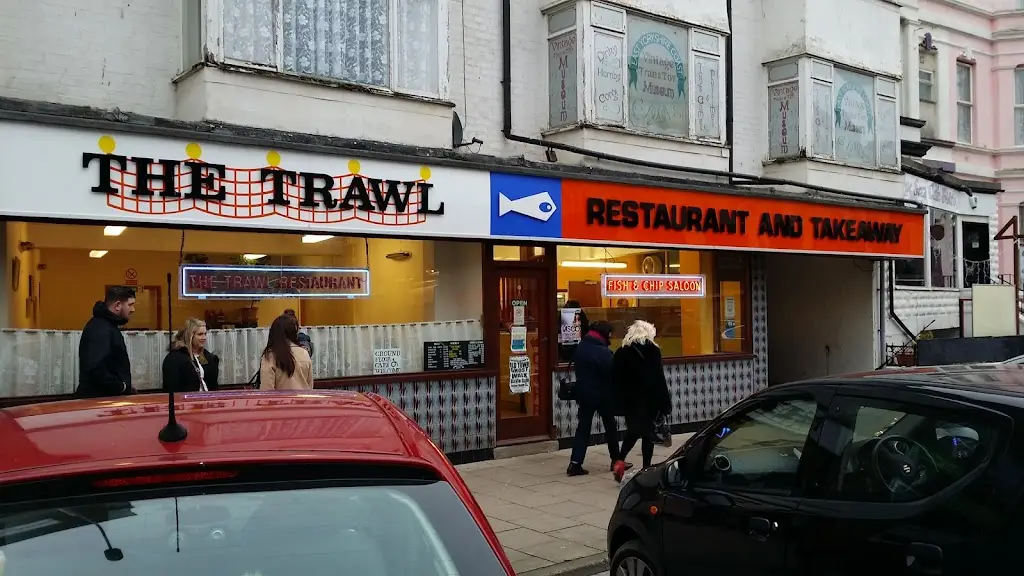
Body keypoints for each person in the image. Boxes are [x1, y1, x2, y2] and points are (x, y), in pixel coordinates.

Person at [612, 320, 672, 480]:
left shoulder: (621, 351)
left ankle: (619, 460)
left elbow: (615, 379)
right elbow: (659, 378)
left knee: (632, 431)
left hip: (629, 401)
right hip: (649, 400)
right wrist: (665, 404)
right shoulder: (652, 351)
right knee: (648, 435)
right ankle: (646, 468)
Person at [567, 320, 628, 477]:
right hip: (602, 395)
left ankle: (575, 463)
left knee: (583, 428)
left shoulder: (582, 346)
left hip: (584, 394)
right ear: (604, 333)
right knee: (610, 427)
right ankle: (616, 460)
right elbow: (613, 371)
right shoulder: (601, 351)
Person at [75, 285, 136, 398]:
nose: (133, 310)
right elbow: (95, 367)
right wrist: (120, 386)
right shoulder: (101, 328)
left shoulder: (106, 325)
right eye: (130, 305)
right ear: (118, 305)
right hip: (99, 401)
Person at [162, 318, 220, 392]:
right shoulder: (174, 359)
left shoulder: (208, 357)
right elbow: (171, 387)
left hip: (207, 400)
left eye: (205, 334)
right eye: (200, 334)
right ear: (190, 336)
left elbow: (213, 385)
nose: (204, 338)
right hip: (186, 401)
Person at [260, 314, 314, 390]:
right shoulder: (304, 353)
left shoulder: (270, 356)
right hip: (303, 401)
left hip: (280, 401)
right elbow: (310, 386)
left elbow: (266, 389)